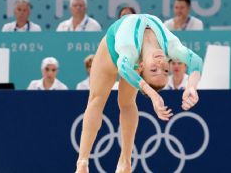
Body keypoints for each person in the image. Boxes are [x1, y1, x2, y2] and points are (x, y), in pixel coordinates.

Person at [74, 14, 202, 173]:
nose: (160, 64)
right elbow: (195, 61)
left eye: (154, 70)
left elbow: (123, 66)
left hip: (112, 50)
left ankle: (122, 161)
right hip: (127, 59)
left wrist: (152, 94)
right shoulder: (171, 48)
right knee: (98, 101)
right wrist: (191, 85)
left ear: (140, 67)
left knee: (104, 100)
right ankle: (83, 162)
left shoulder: (130, 50)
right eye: (165, 70)